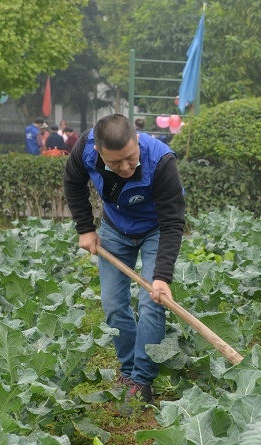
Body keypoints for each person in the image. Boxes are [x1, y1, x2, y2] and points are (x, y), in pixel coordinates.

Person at [63, 114, 185, 406]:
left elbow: (172, 223)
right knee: (114, 305)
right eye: (116, 163)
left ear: (137, 140)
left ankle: (142, 379)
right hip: (116, 229)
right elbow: (73, 182)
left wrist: (162, 277)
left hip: (156, 228)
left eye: (131, 158)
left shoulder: (162, 161)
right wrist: (85, 228)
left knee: (151, 301)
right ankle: (128, 371)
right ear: (100, 152)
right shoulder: (85, 150)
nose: (126, 167)